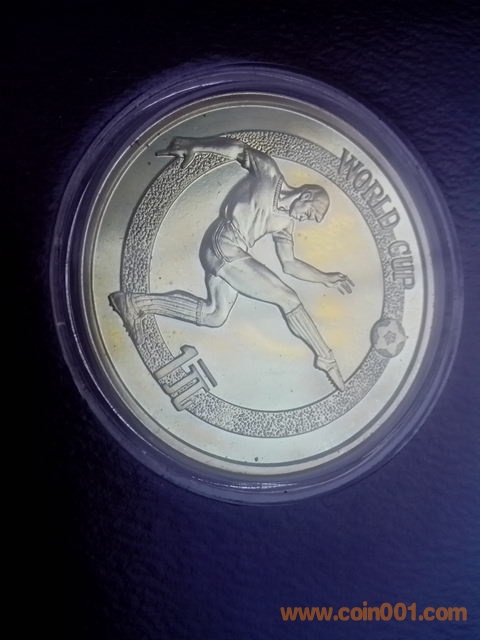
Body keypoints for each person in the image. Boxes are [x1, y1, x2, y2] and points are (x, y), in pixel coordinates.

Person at [109, 136, 354, 390]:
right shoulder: (269, 174)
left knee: (214, 315)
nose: (306, 219)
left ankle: (136, 303)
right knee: (288, 298)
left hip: (232, 253)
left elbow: (289, 264)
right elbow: (238, 149)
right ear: (306, 195)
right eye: (310, 213)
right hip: (223, 242)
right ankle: (326, 359)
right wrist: (195, 145)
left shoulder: (285, 224)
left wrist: (325, 277)